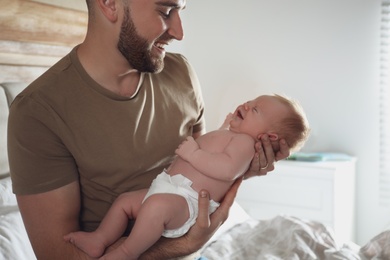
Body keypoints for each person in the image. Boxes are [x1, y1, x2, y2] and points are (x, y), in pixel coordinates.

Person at [7, 0, 290, 259]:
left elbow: (201, 172)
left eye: (181, 12)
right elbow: (60, 255)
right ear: (109, 4)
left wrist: (245, 169)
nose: (179, 33)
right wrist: (186, 244)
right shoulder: (39, 112)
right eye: (166, 11)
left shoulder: (182, 73)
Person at [64, 94, 310, 260]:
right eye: (249, 101)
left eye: (255, 109)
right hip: (169, 188)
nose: (245, 105)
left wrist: (192, 154)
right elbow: (217, 145)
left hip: (187, 202)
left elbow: (226, 169)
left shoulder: (245, 145)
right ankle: (99, 238)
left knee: (156, 208)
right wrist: (227, 125)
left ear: (270, 137)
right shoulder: (234, 135)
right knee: (125, 201)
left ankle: (126, 252)